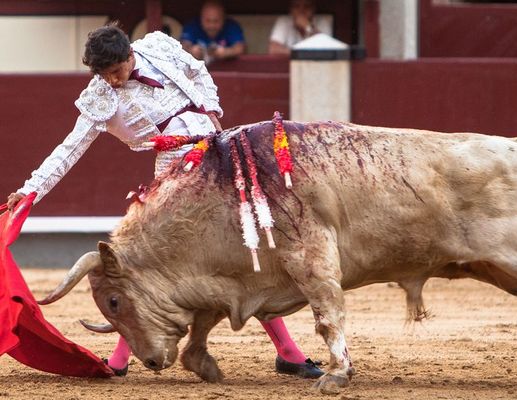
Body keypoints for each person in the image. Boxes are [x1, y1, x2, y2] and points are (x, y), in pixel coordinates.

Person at [6, 23, 322, 380]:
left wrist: (210, 109)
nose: (110, 81)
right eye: (102, 75)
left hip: (219, 153)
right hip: (175, 172)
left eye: (115, 72)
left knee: (247, 249)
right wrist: (31, 190)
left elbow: (198, 69)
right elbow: (70, 148)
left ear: (129, 55)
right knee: (160, 262)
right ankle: (123, 358)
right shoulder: (100, 95)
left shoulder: (158, 47)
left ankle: (287, 352)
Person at [181, 0, 245, 64]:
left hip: (225, 69)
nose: (211, 25)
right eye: (208, 21)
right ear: (201, 18)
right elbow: (183, 45)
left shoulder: (232, 26)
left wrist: (226, 52)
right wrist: (191, 50)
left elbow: (240, 48)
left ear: (223, 19)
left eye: (216, 21)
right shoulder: (192, 25)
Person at [268, 0, 333, 55]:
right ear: (291, 10)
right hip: (289, 67)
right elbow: (274, 49)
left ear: (313, 9)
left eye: (306, 7)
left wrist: (308, 27)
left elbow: (327, 49)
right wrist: (302, 54)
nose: (301, 11)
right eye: (296, 6)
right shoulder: (284, 21)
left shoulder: (323, 22)